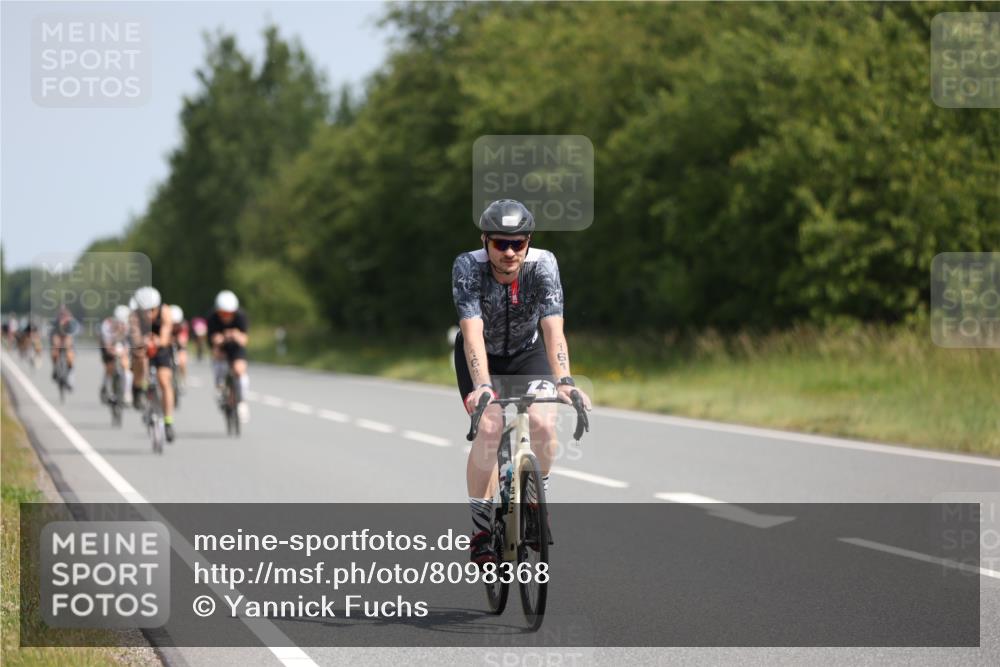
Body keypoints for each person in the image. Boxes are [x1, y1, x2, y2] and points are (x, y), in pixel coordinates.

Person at [452, 199, 592, 565]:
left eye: (518, 243)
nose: (510, 252)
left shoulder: (544, 264)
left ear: (528, 241)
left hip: (528, 353)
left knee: (545, 422)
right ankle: (481, 529)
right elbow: (472, 334)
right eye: (501, 243)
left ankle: (534, 502)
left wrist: (564, 379)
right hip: (481, 355)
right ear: (486, 241)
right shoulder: (468, 267)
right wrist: (482, 386)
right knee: (490, 428)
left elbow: (553, 330)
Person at [130, 287, 176, 442]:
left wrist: (157, 341)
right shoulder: (134, 316)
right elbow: (135, 337)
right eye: (145, 311)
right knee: (140, 359)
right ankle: (139, 388)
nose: (149, 315)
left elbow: (165, 333)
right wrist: (142, 342)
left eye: (152, 310)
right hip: (142, 348)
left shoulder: (165, 311)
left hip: (161, 348)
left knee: (164, 380)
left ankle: (168, 421)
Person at [207, 290, 250, 423]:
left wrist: (235, 335)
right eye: (223, 313)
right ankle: (220, 387)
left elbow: (244, 340)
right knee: (218, 360)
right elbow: (213, 339)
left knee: (239, 370)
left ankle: (242, 402)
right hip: (220, 347)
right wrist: (221, 338)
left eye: (229, 313)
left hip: (236, 347)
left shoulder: (241, 317)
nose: (226, 316)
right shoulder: (212, 317)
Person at [99, 305, 133, 406]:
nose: (122, 326)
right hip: (109, 345)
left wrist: (124, 352)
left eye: (124, 323)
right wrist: (112, 351)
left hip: (122, 345)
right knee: (109, 367)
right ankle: (106, 386)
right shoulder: (107, 325)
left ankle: (127, 392)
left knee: (126, 366)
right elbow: (107, 345)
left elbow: (130, 344)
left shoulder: (131, 326)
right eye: (120, 323)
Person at [49, 305, 80, 389]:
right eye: (61, 315)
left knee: (70, 357)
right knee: (54, 352)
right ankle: (55, 369)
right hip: (57, 336)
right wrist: (56, 343)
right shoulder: (55, 322)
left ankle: (70, 379)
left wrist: (68, 344)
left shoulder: (70, 323)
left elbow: (71, 336)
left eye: (65, 315)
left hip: (67, 337)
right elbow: (53, 334)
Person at [170, 305, 189, 390]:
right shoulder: (165, 325)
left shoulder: (183, 326)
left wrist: (177, 340)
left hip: (179, 347)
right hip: (168, 347)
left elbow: (183, 341)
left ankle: (183, 378)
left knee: (182, 361)